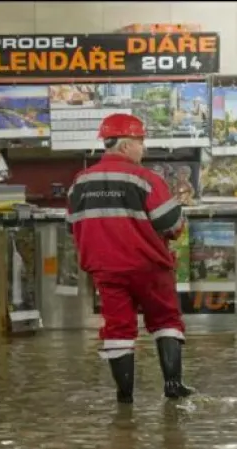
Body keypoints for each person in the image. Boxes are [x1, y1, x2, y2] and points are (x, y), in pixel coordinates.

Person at [66, 113, 194, 404]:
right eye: (140, 141)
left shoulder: (79, 182)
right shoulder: (145, 179)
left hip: (106, 271)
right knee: (165, 320)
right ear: (125, 146)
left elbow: (71, 225)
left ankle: (124, 397)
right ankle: (173, 385)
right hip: (149, 266)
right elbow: (172, 225)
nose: (143, 149)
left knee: (118, 328)